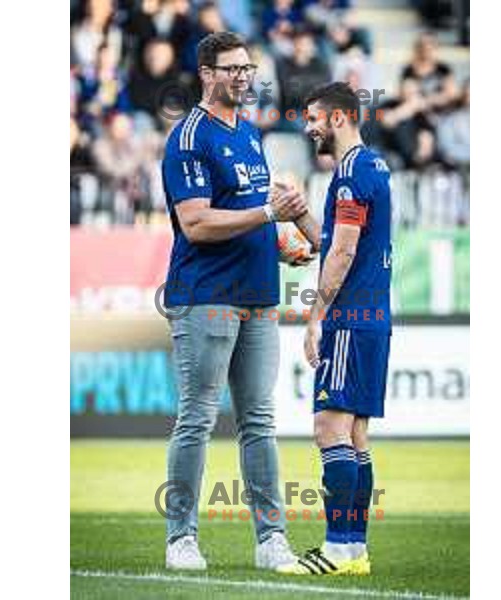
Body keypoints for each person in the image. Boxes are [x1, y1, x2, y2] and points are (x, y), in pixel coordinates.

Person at [161, 31, 318, 571]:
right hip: (205, 297)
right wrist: (270, 217)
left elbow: (246, 214)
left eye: (247, 68)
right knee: (198, 418)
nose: (243, 77)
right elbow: (198, 223)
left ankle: (271, 538)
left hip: (257, 297)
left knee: (259, 421)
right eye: (231, 68)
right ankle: (180, 537)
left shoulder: (250, 134)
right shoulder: (188, 137)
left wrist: (279, 245)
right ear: (206, 73)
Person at [280, 82, 391, 576]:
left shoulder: (349, 175)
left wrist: (316, 316)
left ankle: (337, 548)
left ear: (340, 118)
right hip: (375, 317)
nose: (308, 129)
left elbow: (343, 253)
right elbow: (338, 242)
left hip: (349, 318)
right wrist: (302, 213)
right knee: (356, 434)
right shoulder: (373, 166)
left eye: (313, 119)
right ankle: (356, 551)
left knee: (329, 427)